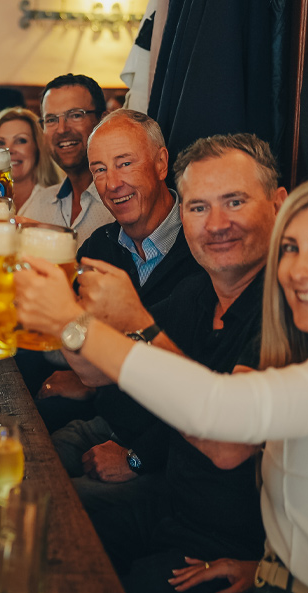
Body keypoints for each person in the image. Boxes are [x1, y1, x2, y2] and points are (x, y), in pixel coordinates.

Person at [16, 174, 308, 593]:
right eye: (290, 248)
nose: (299, 269)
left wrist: (74, 320)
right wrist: (268, 571)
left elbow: (217, 416)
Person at [68, 133, 285, 593]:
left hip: (237, 546)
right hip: (173, 507)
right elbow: (92, 370)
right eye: (198, 207)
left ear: (279, 204)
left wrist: (138, 326)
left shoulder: (289, 306)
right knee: (42, 518)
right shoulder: (198, 292)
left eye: (234, 202)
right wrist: (62, 312)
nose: (217, 225)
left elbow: (228, 444)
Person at [41, 109, 204, 473]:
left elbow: (209, 394)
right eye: (99, 169)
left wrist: (137, 458)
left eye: (125, 163)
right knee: (26, 464)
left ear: (161, 163)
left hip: (172, 454)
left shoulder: (203, 249)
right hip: (108, 424)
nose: (112, 183)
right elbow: (90, 373)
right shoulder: (99, 247)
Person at [18, 74, 115, 238]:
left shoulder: (124, 200)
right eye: (51, 119)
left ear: (103, 120)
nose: (62, 129)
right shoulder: (37, 207)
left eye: (75, 115)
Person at [0, 107, 62, 214]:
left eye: (21, 140)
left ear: (38, 147)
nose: (9, 150)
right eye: (0, 143)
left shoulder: (59, 200)